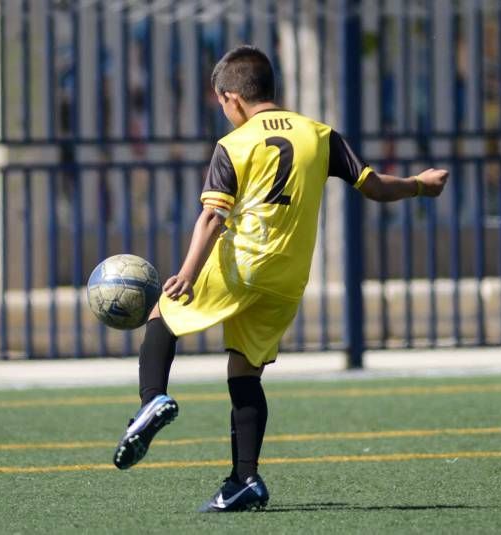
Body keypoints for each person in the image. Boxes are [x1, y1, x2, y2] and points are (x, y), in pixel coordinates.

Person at [112, 45, 448, 512]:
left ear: (231, 98)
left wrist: (187, 273)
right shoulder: (319, 134)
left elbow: (212, 217)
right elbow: (371, 185)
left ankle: (152, 400)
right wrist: (418, 185)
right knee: (246, 370)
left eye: (221, 104)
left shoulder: (235, 143)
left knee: (163, 316)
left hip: (244, 262)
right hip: (289, 278)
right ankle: (244, 480)